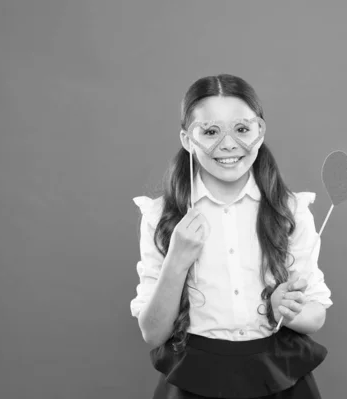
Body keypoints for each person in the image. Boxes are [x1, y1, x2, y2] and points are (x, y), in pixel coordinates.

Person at [131, 74, 333, 399]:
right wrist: (177, 260)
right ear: (187, 139)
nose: (228, 144)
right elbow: (152, 334)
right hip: (195, 378)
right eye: (210, 132)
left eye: (242, 129)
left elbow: (315, 317)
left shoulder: (289, 211)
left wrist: (284, 309)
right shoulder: (161, 216)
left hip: (278, 378)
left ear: (260, 131)